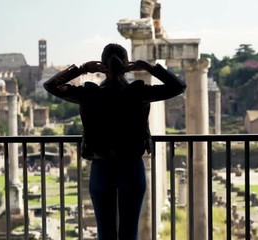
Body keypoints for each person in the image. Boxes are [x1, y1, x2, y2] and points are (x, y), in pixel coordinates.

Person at [43, 43, 186, 240]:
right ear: (128, 65)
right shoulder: (138, 92)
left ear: (102, 66)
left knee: (105, 232)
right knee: (129, 232)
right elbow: (178, 86)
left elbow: (50, 86)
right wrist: (149, 68)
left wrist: (83, 68)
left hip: (102, 167)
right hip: (132, 167)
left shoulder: (89, 94)